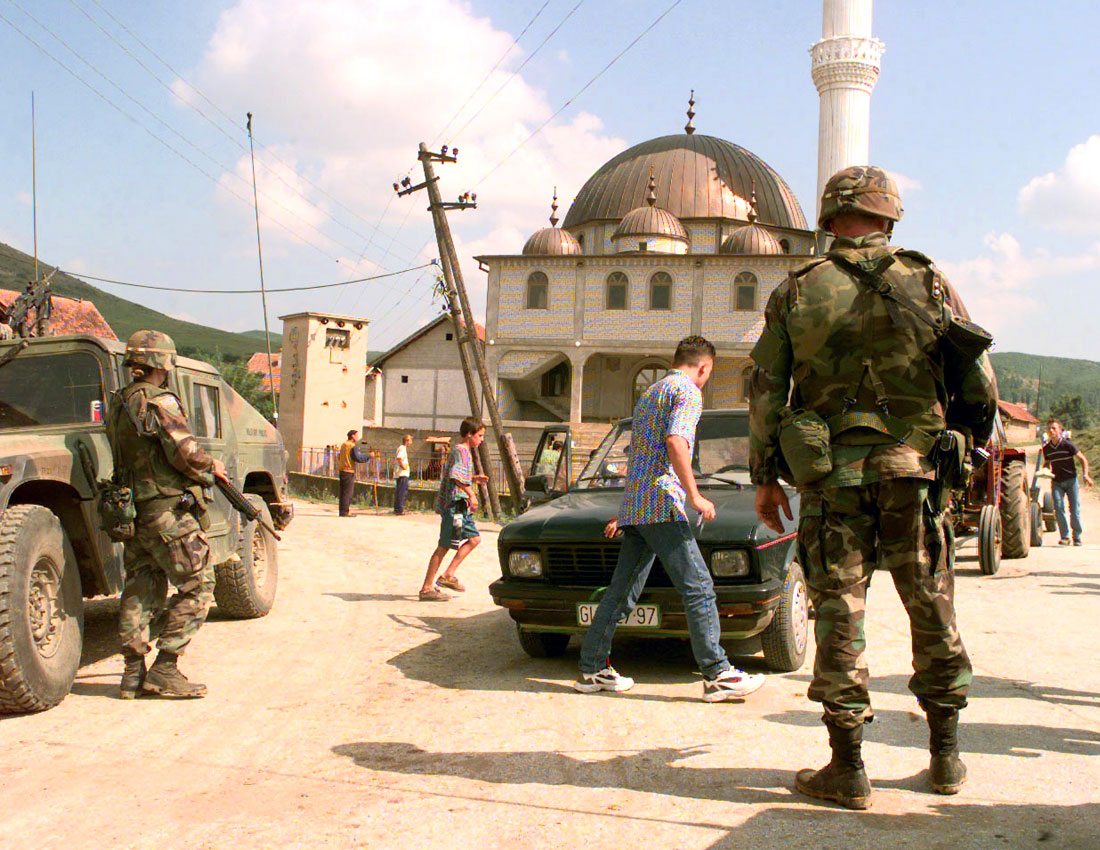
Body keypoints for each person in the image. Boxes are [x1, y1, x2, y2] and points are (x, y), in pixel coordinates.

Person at [749, 166, 998, 809]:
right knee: (932, 606)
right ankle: (945, 759)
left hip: (831, 480)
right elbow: (981, 386)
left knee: (838, 616)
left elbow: (767, 390)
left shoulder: (797, 290)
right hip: (915, 474)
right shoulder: (929, 280)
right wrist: (961, 447)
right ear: (889, 216)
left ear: (829, 217)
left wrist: (764, 477)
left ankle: (849, 769)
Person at [574, 336, 766, 702]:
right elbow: (677, 441)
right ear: (705, 366)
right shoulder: (689, 392)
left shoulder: (652, 393)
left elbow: (641, 452)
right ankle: (717, 673)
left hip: (638, 504)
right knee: (699, 587)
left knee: (621, 592)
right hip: (662, 504)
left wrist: (629, 506)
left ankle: (591, 668)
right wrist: (694, 495)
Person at [106, 330, 230, 699]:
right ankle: (164, 668)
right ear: (163, 362)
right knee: (200, 584)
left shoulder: (119, 401)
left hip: (133, 512)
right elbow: (185, 451)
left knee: (140, 587)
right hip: (166, 511)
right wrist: (212, 466)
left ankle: (131, 674)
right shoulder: (160, 400)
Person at [418, 417, 489, 601]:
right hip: (456, 506)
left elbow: (457, 476)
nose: (481, 439)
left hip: (460, 508)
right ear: (469, 434)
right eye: (479, 435)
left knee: (473, 539)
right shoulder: (461, 451)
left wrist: (473, 478)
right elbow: (455, 476)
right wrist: (471, 493)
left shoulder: (464, 451)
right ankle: (426, 588)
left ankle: (448, 575)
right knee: (444, 546)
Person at [1041, 417, 1093, 545]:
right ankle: (1065, 536)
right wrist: (1045, 470)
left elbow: (1083, 459)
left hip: (1071, 481)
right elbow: (1047, 463)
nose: (1051, 431)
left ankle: (1077, 537)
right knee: (1058, 508)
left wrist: (1086, 475)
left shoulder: (1067, 445)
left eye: (1054, 428)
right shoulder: (1047, 449)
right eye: (1049, 429)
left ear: (1060, 430)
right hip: (1057, 482)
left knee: (1074, 509)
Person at [337, 430, 366, 517]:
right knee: (348, 492)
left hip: (342, 470)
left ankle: (342, 511)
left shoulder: (343, 445)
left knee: (343, 492)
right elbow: (358, 458)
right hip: (349, 471)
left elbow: (339, 456)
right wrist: (368, 456)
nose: (358, 438)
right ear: (353, 436)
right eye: (357, 436)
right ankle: (345, 511)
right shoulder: (352, 446)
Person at [394, 434, 413, 515]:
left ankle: (397, 508)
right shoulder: (402, 448)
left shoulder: (402, 448)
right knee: (402, 492)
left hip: (401, 473)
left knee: (400, 491)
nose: (411, 443)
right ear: (407, 441)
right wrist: (404, 467)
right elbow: (399, 458)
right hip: (402, 474)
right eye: (410, 441)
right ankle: (399, 509)